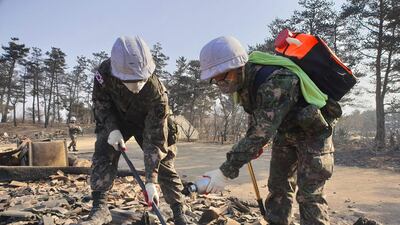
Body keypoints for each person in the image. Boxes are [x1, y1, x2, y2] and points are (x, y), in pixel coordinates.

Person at [197, 36, 342, 225]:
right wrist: (251, 146)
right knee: (278, 188)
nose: (220, 83)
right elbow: (256, 120)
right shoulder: (244, 84)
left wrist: (225, 171)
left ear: (238, 65)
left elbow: (262, 132)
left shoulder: (276, 81)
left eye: (222, 76)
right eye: (214, 80)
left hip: (313, 133)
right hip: (286, 132)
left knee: (309, 196)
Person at [81, 36, 188, 225]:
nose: (137, 86)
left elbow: (155, 140)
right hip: (118, 119)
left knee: (164, 162)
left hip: (147, 122)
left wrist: (150, 181)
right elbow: (101, 103)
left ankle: (179, 214)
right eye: (131, 80)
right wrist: (112, 129)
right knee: (103, 149)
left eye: (142, 79)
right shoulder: (104, 73)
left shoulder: (157, 94)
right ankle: (100, 208)